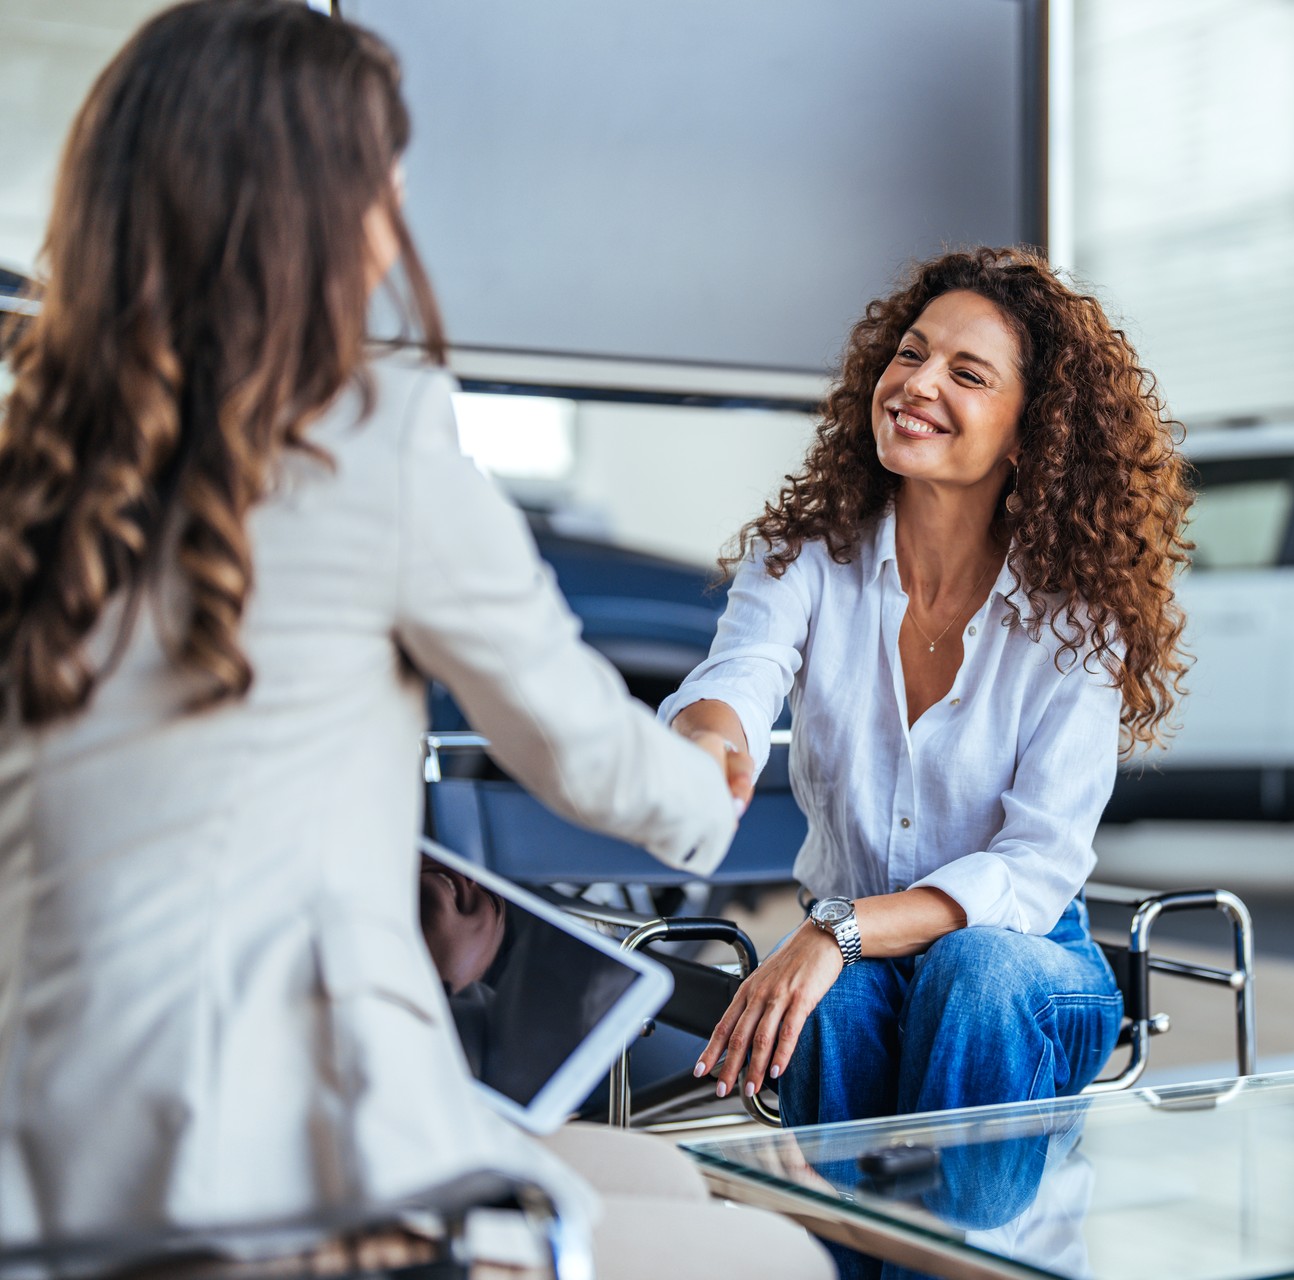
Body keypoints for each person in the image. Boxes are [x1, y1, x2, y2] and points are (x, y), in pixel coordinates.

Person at [0, 4, 825, 1276]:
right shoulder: (365, 431)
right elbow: (592, 757)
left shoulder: (36, 451)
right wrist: (708, 773)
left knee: (662, 1167)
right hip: (258, 1181)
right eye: (383, 170)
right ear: (312, 202)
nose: (397, 206)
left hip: (50, 1150)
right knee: (779, 1261)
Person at [662, 247, 1192, 1127]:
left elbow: (1034, 868)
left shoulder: (1075, 619)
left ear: (1033, 431)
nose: (916, 382)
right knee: (820, 1008)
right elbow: (740, 677)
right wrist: (712, 743)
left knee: (972, 971)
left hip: (1027, 965)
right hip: (853, 960)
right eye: (910, 353)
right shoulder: (804, 560)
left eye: (967, 372)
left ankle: (959, 1262)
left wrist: (838, 928)